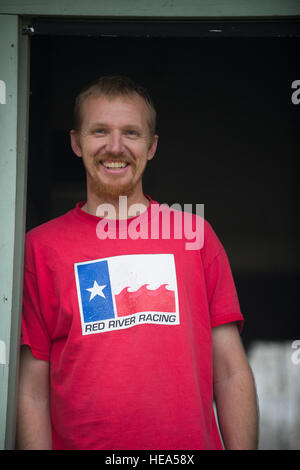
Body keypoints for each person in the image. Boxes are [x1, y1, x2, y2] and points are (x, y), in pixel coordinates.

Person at [17, 75, 259, 450]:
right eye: (99, 131)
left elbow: (229, 371)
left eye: (131, 133)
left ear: (151, 147)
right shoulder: (41, 247)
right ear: (76, 142)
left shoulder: (195, 236)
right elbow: (32, 389)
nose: (115, 147)